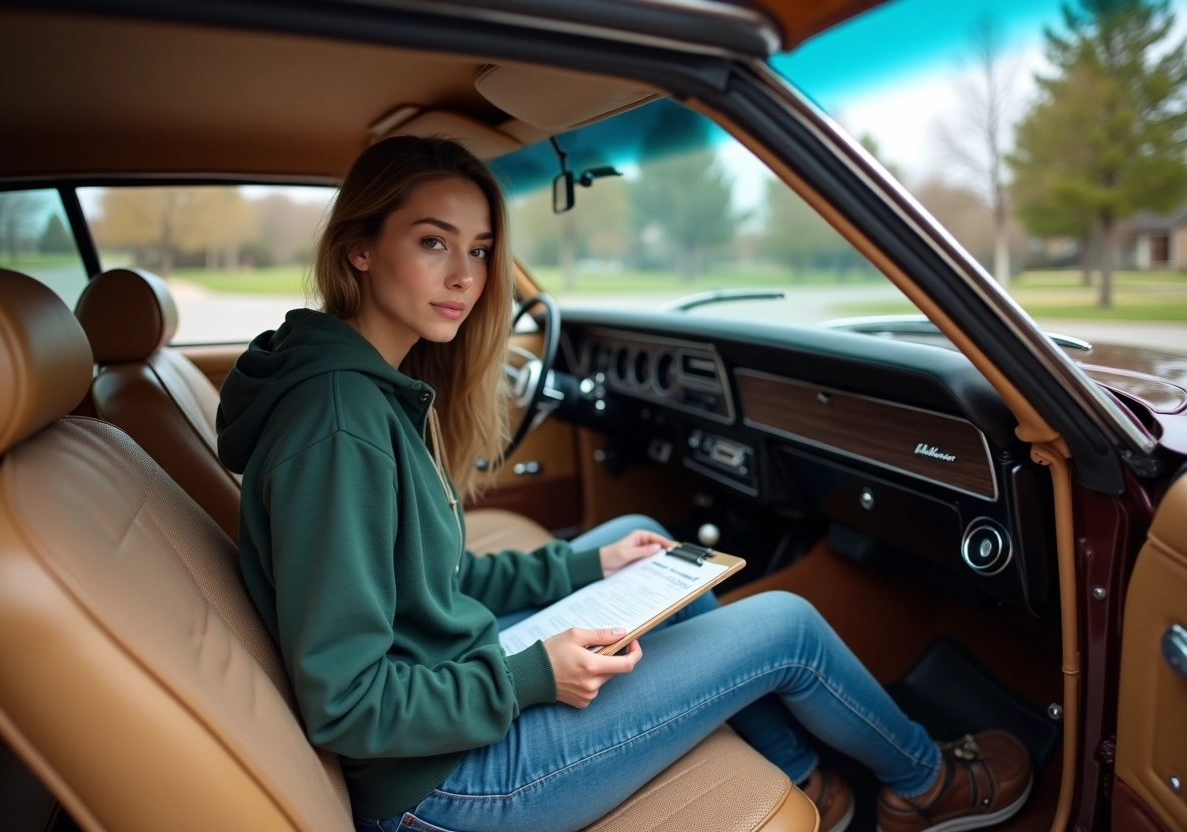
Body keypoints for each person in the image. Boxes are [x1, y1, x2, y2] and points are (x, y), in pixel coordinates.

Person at [217, 136, 1033, 832]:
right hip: (444, 784)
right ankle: (923, 785)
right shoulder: (342, 426)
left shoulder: (364, 386)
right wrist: (533, 675)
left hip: (446, 698)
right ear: (358, 248)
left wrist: (583, 566)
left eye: (481, 249)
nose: (464, 276)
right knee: (786, 626)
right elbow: (348, 704)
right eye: (434, 242)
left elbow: (430, 583)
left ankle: (809, 784)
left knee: (652, 552)